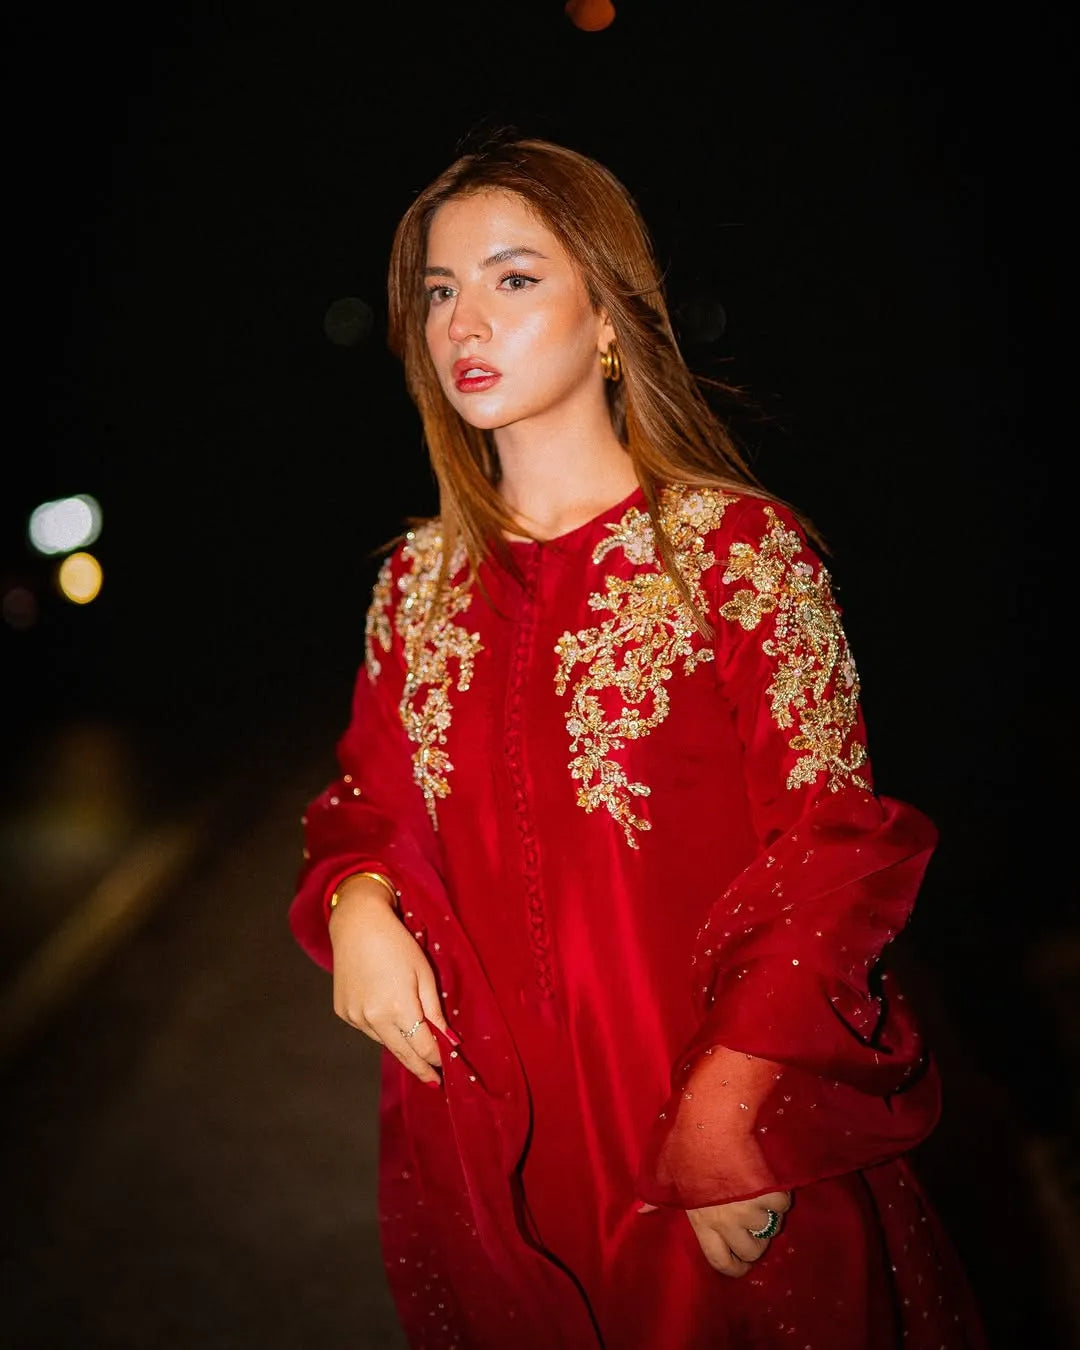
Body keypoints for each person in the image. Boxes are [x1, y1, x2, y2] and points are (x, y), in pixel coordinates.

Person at [288, 135, 986, 1349]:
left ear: (611, 317)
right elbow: (370, 801)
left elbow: (839, 852)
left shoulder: (735, 555)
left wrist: (737, 1102)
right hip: (497, 1136)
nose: (467, 321)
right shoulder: (418, 581)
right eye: (440, 291)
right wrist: (355, 898)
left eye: (513, 279)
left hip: (707, 1115)